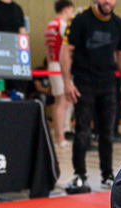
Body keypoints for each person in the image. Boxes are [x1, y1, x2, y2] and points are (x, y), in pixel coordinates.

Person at [61, 0, 121, 193]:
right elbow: (67, 51)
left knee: (107, 133)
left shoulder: (118, 24)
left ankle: (107, 175)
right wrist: (67, 82)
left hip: (108, 84)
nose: (108, 2)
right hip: (84, 83)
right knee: (82, 131)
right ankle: (79, 175)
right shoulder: (81, 20)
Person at [45, 0, 74, 147]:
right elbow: (68, 48)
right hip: (59, 66)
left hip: (52, 64)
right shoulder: (63, 26)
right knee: (62, 102)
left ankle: (59, 136)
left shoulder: (50, 25)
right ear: (67, 9)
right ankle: (60, 137)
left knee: (59, 102)